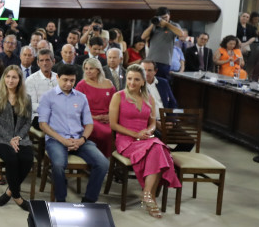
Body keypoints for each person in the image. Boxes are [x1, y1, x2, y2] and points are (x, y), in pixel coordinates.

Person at [109, 64, 182, 218]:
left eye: (136, 79)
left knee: (158, 148)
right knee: (158, 148)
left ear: (143, 82)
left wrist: (148, 131)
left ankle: (148, 193)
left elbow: (153, 123)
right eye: (129, 79)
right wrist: (135, 133)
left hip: (145, 138)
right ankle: (150, 196)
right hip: (126, 139)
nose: (132, 83)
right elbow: (113, 124)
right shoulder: (118, 96)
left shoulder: (149, 98)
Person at [37, 64, 109, 203]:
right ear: (57, 77)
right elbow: (43, 124)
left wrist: (82, 139)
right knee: (58, 165)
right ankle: (61, 199)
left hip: (79, 139)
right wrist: (63, 140)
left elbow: (89, 124)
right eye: (65, 80)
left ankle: (89, 200)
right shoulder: (48, 97)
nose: (68, 83)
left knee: (103, 163)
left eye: (72, 80)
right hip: (56, 139)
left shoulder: (81, 97)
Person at [0, 65, 35, 210]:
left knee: (27, 159)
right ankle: (17, 196)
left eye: (14, 77)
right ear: (4, 78)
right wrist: (10, 138)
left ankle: (9, 191)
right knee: (12, 158)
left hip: (20, 138)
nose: (10, 80)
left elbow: (28, 122)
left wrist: (18, 137)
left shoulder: (26, 98)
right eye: (8, 76)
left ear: (19, 79)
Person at [74, 58, 117, 158]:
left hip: (107, 118)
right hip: (89, 118)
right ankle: (100, 159)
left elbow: (114, 104)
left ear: (98, 70)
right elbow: (77, 108)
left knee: (118, 130)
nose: (88, 71)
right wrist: (95, 117)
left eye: (91, 68)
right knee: (106, 133)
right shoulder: (81, 85)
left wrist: (110, 116)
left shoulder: (109, 83)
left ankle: (112, 161)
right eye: (86, 69)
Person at [141, 6, 185, 79]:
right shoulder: (154, 26)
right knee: (147, 83)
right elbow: (143, 36)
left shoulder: (174, 25)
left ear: (169, 16)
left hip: (164, 62)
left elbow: (181, 34)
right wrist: (153, 23)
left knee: (161, 83)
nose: (164, 19)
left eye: (166, 17)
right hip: (150, 61)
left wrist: (167, 24)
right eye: (162, 17)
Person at [26, 48, 58, 124]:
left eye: (47, 60)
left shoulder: (59, 78)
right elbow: (31, 104)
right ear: (37, 63)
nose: (44, 63)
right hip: (39, 117)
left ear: (53, 61)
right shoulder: (31, 80)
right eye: (41, 60)